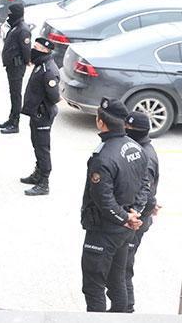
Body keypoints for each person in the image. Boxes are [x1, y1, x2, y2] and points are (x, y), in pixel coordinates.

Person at [80, 97, 147, 313]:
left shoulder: (103, 157)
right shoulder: (135, 147)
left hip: (105, 229)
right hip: (125, 228)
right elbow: (145, 184)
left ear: (101, 122)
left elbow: (103, 200)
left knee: (94, 286)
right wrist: (134, 213)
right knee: (117, 279)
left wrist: (126, 217)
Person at [124, 111, 161, 313]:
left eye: (128, 129)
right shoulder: (142, 148)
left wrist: (135, 214)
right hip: (141, 215)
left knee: (124, 267)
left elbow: (145, 190)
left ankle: (127, 309)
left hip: (136, 221)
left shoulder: (145, 156)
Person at [19, 38, 61, 196]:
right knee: (36, 144)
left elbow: (54, 96)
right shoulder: (40, 64)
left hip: (43, 114)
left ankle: (44, 182)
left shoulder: (48, 69)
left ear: (45, 50)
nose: (33, 50)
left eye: (36, 48)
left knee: (43, 148)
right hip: (36, 114)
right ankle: (38, 174)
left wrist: (40, 108)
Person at [0, 3, 32, 132]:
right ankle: (11, 118)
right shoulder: (16, 26)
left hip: (17, 66)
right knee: (13, 93)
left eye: (10, 13)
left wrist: (26, 61)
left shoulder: (22, 29)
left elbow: (26, 50)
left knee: (16, 95)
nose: (8, 15)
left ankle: (15, 123)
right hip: (12, 66)